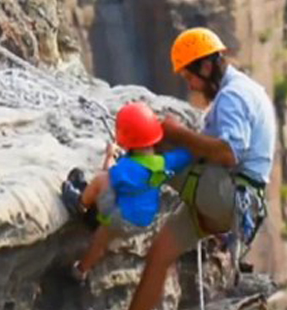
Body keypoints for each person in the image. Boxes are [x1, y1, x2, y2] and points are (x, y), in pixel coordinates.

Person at [80, 27, 277, 310]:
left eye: (191, 77)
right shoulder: (237, 91)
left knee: (157, 141)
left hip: (229, 197)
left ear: (206, 66)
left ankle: (106, 197)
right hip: (229, 204)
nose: (191, 86)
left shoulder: (233, 96)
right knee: (160, 255)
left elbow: (228, 152)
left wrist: (177, 132)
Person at [61, 101, 193, 281]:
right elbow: (185, 154)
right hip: (143, 220)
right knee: (105, 237)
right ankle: (81, 270)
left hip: (119, 217)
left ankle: (80, 203)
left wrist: (110, 155)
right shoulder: (164, 163)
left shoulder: (126, 168)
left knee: (102, 182)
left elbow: (108, 173)